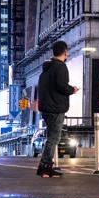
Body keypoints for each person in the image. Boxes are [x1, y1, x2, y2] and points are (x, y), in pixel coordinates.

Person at [36, 40, 79, 178]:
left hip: (46, 108)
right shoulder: (60, 67)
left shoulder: (46, 68)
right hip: (56, 108)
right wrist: (72, 89)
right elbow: (61, 85)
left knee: (51, 137)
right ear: (65, 52)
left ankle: (46, 167)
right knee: (54, 138)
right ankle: (44, 167)